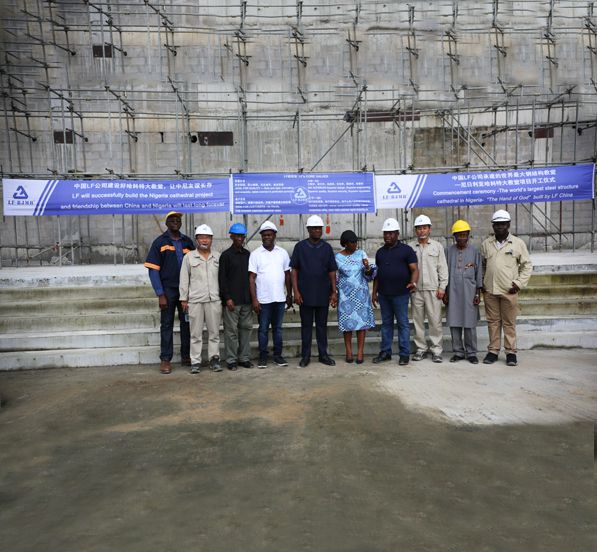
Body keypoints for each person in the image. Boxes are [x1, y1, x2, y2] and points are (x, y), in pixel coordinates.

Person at [480, 209, 533, 367]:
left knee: (509, 323)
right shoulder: (486, 244)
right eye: (497, 224)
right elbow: (483, 266)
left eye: (503, 224)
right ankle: (493, 351)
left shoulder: (517, 243)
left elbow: (527, 265)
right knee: (493, 322)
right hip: (490, 291)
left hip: (509, 291)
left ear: (508, 225)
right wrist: (483, 283)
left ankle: (510, 352)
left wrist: (518, 283)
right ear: (493, 226)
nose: (500, 227)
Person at [144, 211, 195, 374]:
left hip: (185, 291)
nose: (175, 222)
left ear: (181, 223)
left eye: (178, 220)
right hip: (168, 291)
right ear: (166, 223)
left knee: (187, 323)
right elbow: (153, 271)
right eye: (172, 220)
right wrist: (160, 294)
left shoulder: (187, 242)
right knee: (166, 325)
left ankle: (187, 355)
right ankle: (165, 359)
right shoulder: (160, 242)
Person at [291, 215, 338, 368]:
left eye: (319, 228)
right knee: (306, 327)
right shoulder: (300, 247)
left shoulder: (327, 248)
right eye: (314, 228)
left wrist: (333, 291)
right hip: (305, 295)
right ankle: (305, 356)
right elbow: (294, 271)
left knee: (321, 326)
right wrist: (296, 292)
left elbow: (332, 271)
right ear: (308, 229)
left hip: (323, 294)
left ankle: (323, 355)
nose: (318, 230)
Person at [372, 217, 419, 366]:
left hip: (401, 294)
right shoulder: (380, 252)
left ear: (397, 233)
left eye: (391, 233)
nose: (388, 236)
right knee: (386, 324)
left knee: (403, 324)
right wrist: (374, 293)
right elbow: (377, 275)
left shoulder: (407, 250)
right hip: (384, 294)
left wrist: (413, 282)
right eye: (386, 233)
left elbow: (414, 269)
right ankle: (385, 352)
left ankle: (404, 354)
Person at [248, 221, 292, 369]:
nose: (267, 237)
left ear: (274, 236)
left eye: (269, 234)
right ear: (261, 236)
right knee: (263, 329)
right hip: (263, 300)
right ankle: (263, 357)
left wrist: (289, 294)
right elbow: (251, 278)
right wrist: (255, 299)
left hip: (279, 299)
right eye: (264, 235)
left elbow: (287, 275)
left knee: (278, 329)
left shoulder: (283, 253)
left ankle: (278, 356)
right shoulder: (255, 254)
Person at [179, 224, 222, 374]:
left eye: (207, 237)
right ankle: (195, 361)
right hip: (195, 301)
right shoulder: (189, 257)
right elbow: (184, 279)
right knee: (195, 334)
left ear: (211, 239)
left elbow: (222, 279)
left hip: (214, 300)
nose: (204, 240)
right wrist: (184, 299)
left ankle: (214, 359)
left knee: (214, 333)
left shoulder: (217, 257)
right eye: (201, 237)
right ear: (196, 239)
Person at [409, 214, 449, 363]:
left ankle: (436, 350)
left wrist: (442, 287)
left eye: (424, 227)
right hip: (416, 290)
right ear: (415, 230)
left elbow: (442, 269)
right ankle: (421, 349)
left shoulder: (437, 246)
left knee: (435, 321)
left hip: (433, 290)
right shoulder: (411, 247)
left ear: (429, 229)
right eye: (418, 228)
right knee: (418, 321)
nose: (421, 231)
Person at [443, 220, 483, 364]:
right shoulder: (448, 251)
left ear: (468, 235)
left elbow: (479, 273)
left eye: (464, 235)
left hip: (470, 292)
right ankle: (458, 352)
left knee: (470, 323)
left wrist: (478, 293)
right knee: (454, 322)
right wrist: (445, 292)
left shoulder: (475, 252)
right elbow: (444, 272)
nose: (461, 238)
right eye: (458, 235)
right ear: (454, 236)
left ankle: (471, 353)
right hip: (452, 292)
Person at [335, 230, 376, 364]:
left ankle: (360, 353)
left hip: (361, 295)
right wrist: (334, 293)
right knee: (348, 325)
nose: (355, 245)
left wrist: (367, 267)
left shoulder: (361, 254)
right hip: (345, 296)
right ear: (345, 244)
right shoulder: (337, 257)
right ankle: (348, 352)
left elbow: (369, 275)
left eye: (356, 242)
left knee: (361, 324)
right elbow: (335, 277)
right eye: (352, 242)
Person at [218, 222, 253, 370]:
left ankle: (244, 358)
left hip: (246, 300)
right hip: (232, 301)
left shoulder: (248, 255)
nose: (240, 238)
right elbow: (222, 279)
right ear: (231, 236)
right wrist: (227, 298)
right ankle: (231, 360)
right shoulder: (226, 256)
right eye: (237, 236)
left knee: (246, 329)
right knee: (231, 332)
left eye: (242, 236)